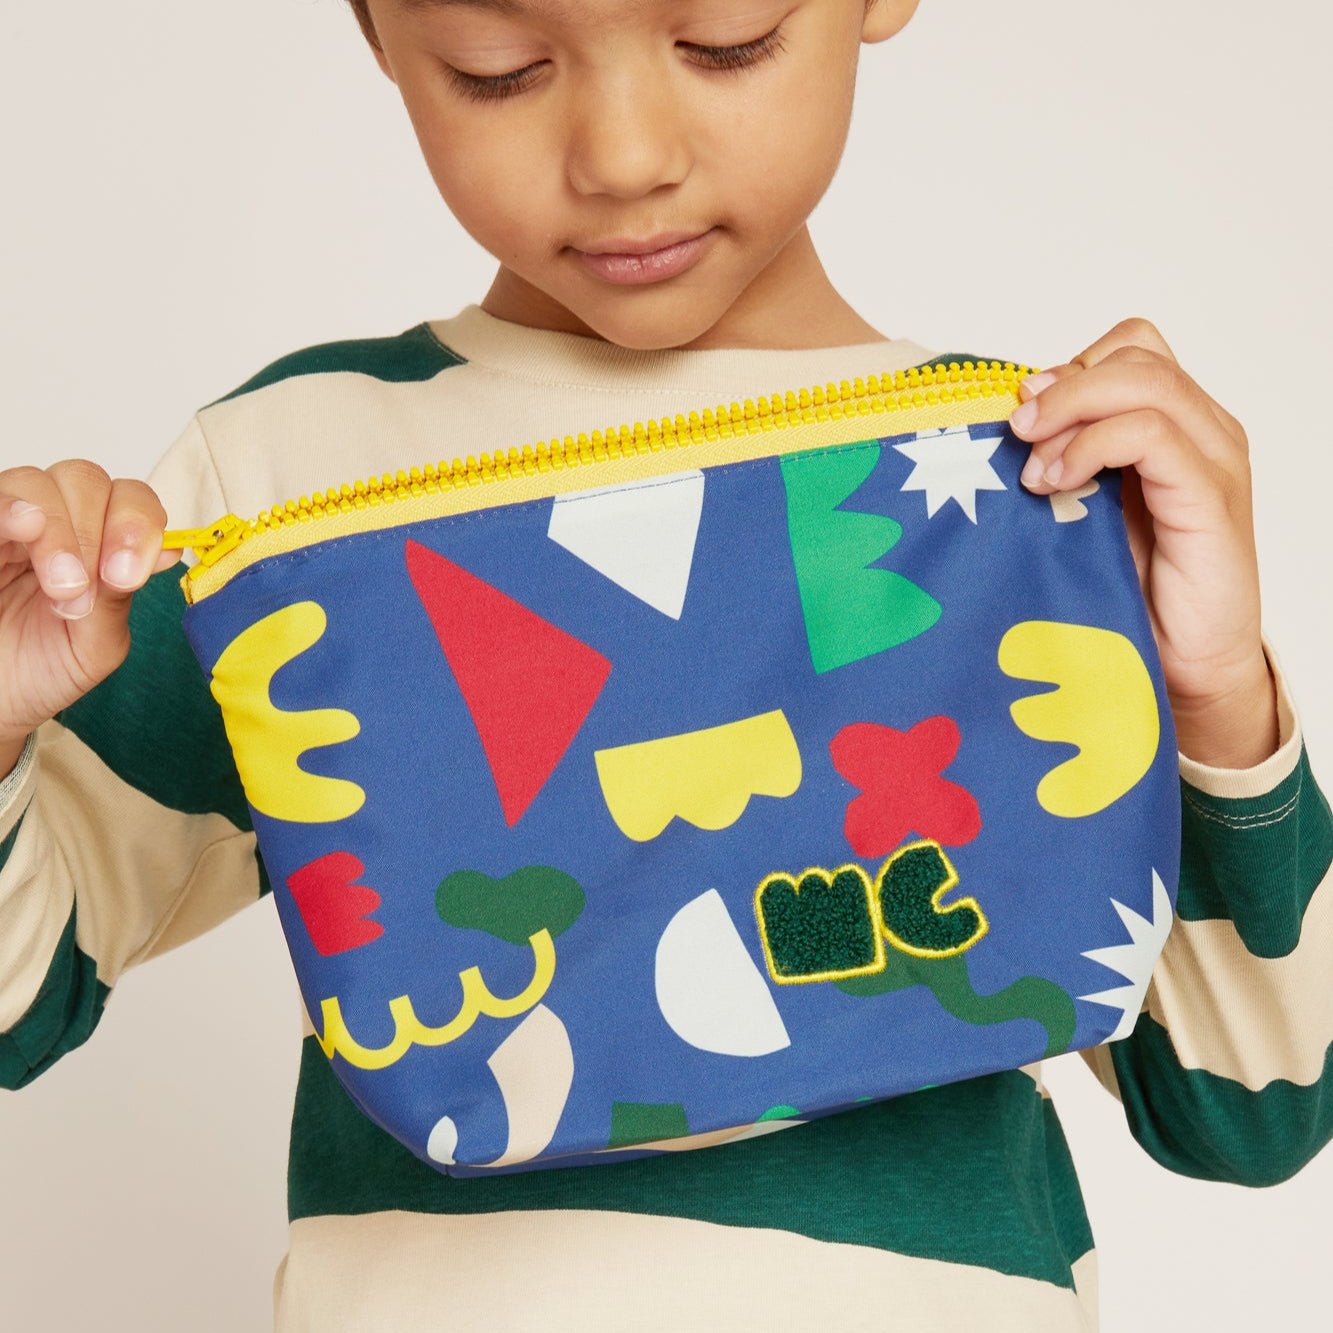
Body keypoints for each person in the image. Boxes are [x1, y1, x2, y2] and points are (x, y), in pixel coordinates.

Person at [1, 0, 1328, 1328]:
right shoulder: (280, 486)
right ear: (376, 29)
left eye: (726, 40)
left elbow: (1249, 1108)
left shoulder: (1021, 476)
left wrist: (1218, 692)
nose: (622, 154)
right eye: (499, 71)